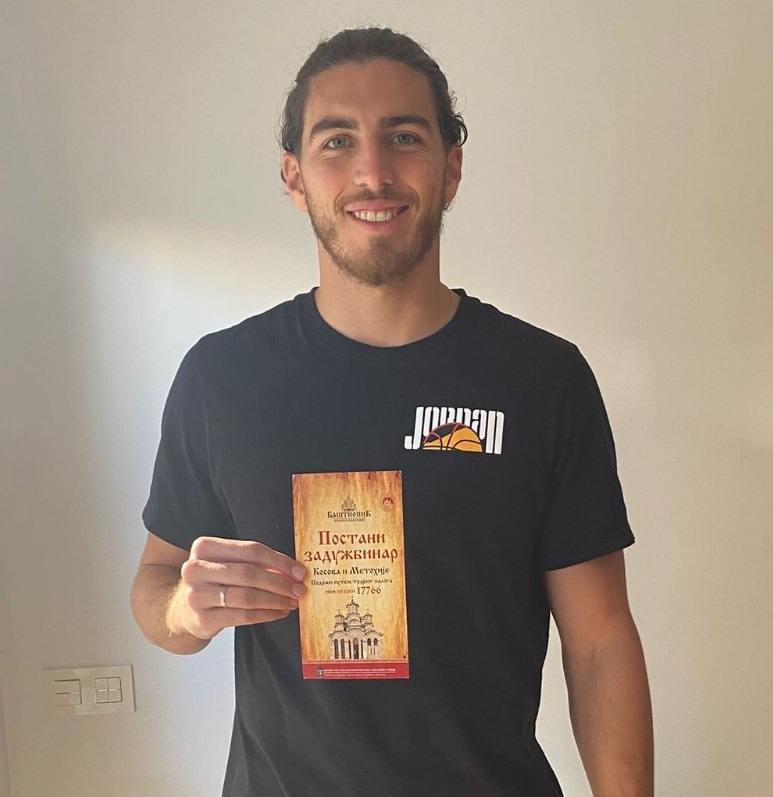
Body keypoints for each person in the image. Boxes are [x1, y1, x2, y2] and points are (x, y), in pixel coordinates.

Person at [131, 27, 653, 797]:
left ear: (451, 167)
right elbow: (154, 587)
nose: (372, 172)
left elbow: (599, 643)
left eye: (403, 136)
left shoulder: (542, 379)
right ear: (294, 176)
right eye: (336, 140)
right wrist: (187, 608)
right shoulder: (222, 377)